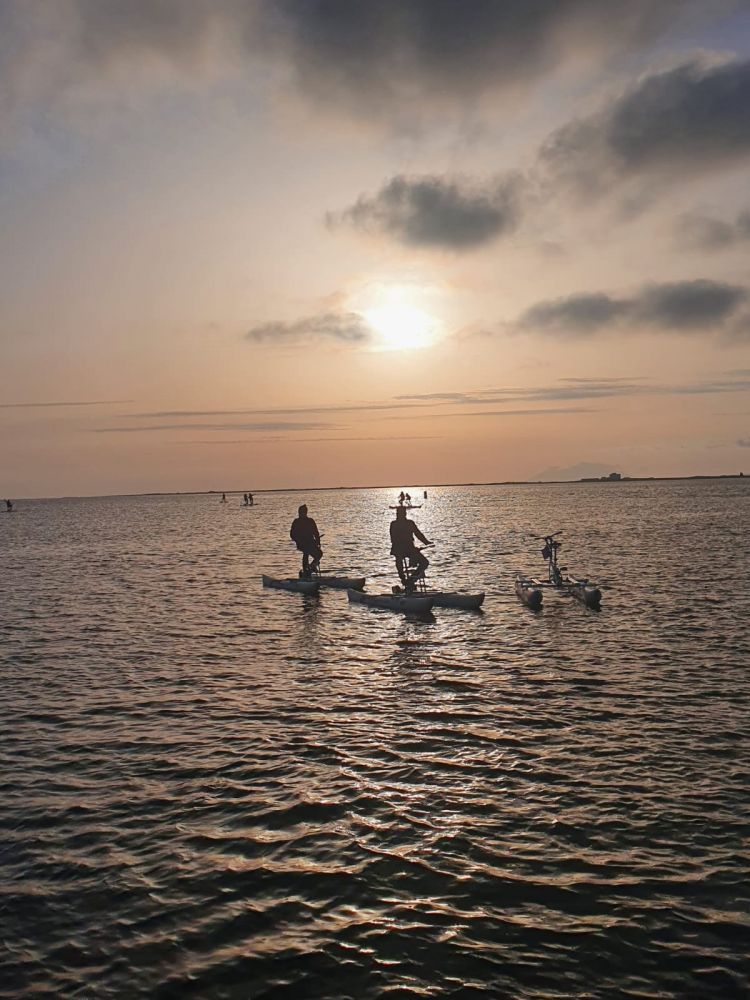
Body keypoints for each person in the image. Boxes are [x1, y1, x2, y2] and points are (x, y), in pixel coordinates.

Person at [390, 506, 431, 591]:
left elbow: (418, 533)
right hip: (399, 549)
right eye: (398, 514)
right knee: (399, 558)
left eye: (401, 513)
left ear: (405, 514)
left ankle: (411, 580)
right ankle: (403, 579)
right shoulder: (393, 524)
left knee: (424, 562)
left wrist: (426, 542)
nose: (399, 515)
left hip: (410, 549)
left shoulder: (410, 523)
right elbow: (393, 539)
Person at [290, 504, 322, 578]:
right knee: (306, 552)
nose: (300, 513)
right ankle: (305, 571)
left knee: (319, 554)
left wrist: (318, 542)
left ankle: (311, 568)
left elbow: (316, 532)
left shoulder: (310, 521)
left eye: (302, 512)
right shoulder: (296, 522)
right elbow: (292, 534)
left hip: (311, 543)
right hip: (302, 544)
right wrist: (298, 540)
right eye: (300, 512)